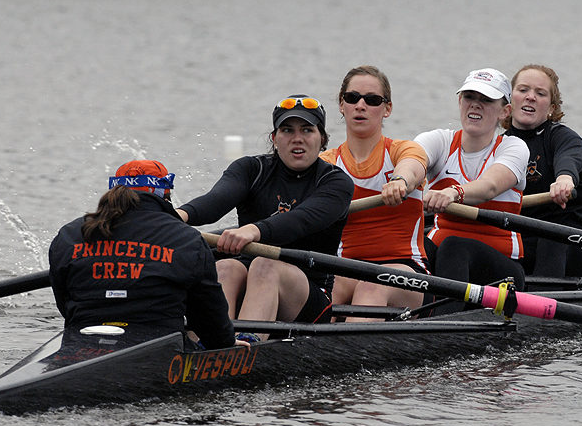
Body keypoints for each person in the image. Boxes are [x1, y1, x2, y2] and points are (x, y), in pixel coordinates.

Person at [176, 95, 355, 339]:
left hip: (309, 294)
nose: (297, 138)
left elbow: (300, 220)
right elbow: (216, 200)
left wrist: (253, 231)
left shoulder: (336, 183)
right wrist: (175, 216)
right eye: (287, 130)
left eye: (307, 130)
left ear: (322, 138)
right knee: (225, 266)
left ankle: (246, 347)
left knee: (265, 265)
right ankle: (207, 346)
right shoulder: (251, 169)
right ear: (274, 138)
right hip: (248, 277)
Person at [48, 160, 236, 349]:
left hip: (82, 339)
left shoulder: (70, 234)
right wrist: (226, 344)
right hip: (162, 345)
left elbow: (64, 302)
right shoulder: (186, 238)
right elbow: (207, 313)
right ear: (165, 193)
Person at [320, 66, 429, 319]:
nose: (360, 105)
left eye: (372, 100)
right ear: (341, 104)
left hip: (407, 269)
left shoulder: (402, 150)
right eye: (352, 97)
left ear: (387, 109)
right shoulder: (325, 163)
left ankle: (348, 353)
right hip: (346, 267)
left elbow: (412, 168)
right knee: (322, 291)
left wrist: (400, 181)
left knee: (370, 286)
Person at [416, 68, 530, 311]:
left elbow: (489, 187)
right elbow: (411, 161)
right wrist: (401, 181)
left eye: (486, 100)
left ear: (505, 111)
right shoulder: (440, 141)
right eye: (469, 97)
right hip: (444, 257)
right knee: (407, 247)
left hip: (501, 273)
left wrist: (453, 193)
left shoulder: (513, 147)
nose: (475, 105)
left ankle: (442, 327)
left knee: (454, 246)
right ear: (460, 102)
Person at [504, 64, 582, 279]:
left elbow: (570, 159)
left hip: (573, 251)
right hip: (520, 246)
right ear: (509, 101)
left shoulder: (562, 138)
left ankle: (541, 307)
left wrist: (565, 179)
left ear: (551, 107)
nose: (530, 97)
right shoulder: (498, 143)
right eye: (523, 90)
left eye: (540, 93)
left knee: (551, 234)